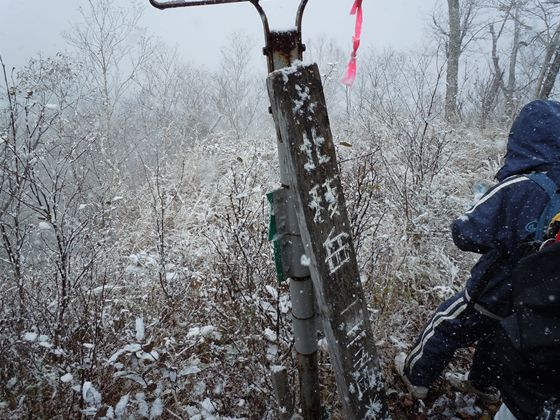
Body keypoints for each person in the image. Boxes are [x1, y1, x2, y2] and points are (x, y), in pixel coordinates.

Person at [394, 99, 560, 402]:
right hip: (535, 297)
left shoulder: (521, 185)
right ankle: (482, 385)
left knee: (448, 322)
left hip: (496, 285)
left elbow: (466, 232)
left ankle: (415, 376)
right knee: (499, 334)